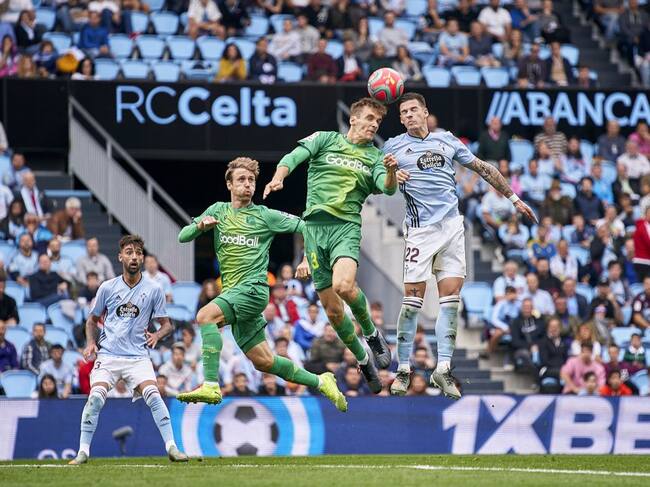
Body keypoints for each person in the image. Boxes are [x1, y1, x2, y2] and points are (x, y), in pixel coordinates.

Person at [381, 92, 535, 398]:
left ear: (425, 112)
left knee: (450, 300)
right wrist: (390, 173)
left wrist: (514, 199)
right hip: (419, 231)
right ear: (400, 119)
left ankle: (443, 369)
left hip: (452, 227)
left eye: (413, 110)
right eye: (404, 112)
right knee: (412, 301)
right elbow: (381, 186)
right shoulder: (393, 146)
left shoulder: (447, 140)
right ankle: (403, 369)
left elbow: (484, 169)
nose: (409, 115)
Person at [176, 158, 347, 410]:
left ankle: (211, 384)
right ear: (229, 184)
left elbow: (306, 227)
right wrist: (200, 226)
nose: (247, 184)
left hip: (254, 290)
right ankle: (321, 381)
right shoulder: (218, 211)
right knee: (264, 362)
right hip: (234, 294)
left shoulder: (265, 215)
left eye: (251, 180)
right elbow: (183, 236)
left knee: (205, 316)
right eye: (241, 180)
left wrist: (305, 259)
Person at [264, 99, 397, 394]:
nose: (374, 124)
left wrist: (390, 171)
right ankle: (363, 360)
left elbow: (387, 188)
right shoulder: (325, 139)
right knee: (334, 313)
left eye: (378, 122)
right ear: (353, 119)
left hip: (345, 228)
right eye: (370, 118)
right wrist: (278, 177)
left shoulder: (376, 157)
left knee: (344, 286)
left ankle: (372, 334)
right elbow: (295, 155)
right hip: (314, 231)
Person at [68, 235, 189, 465]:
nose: (134, 257)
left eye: (138, 253)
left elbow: (167, 325)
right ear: (120, 257)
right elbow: (91, 320)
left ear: (142, 258)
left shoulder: (154, 289)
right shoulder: (107, 287)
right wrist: (91, 343)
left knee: (154, 396)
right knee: (95, 399)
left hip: (138, 358)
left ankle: (172, 448)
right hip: (109, 356)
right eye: (129, 252)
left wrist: (156, 335)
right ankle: (82, 452)